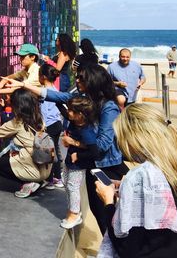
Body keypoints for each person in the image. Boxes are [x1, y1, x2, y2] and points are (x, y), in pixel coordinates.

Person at [7, 64, 127, 233]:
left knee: (106, 212)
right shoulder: (82, 97)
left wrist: (76, 144)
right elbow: (55, 95)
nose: (76, 80)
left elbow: (102, 146)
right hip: (92, 162)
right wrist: (23, 85)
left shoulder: (108, 108)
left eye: (81, 78)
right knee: (97, 209)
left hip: (108, 165)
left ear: (93, 82)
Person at [96, 104, 177, 257]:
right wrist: (129, 189)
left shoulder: (139, 176)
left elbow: (126, 249)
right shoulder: (175, 165)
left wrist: (108, 202)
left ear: (133, 138)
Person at [0, 89, 52, 198]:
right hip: (46, 167)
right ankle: (40, 181)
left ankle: (29, 183)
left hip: (34, 169)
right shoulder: (39, 118)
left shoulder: (17, 123)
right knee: (7, 156)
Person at [59, 95, 99, 229]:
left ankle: (75, 213)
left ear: (80, 115)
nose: (68, 112)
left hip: (78, 163)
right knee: (65, 181)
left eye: (71, 110)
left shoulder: (87, 131)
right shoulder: (74, 121)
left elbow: (94, 151)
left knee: (72, 186)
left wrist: (78, 155)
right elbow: (63, 109)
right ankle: (72, 208)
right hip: (69, 160)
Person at [38, 64, 65, 189]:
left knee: (48, 153)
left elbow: (44, 111)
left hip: (49, 125)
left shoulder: (45, 93)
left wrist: (42, 125)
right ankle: (58, 177)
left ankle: (50, 180)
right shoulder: (55, 90)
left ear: (43, 77)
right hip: (57, 123)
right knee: (55, 152)